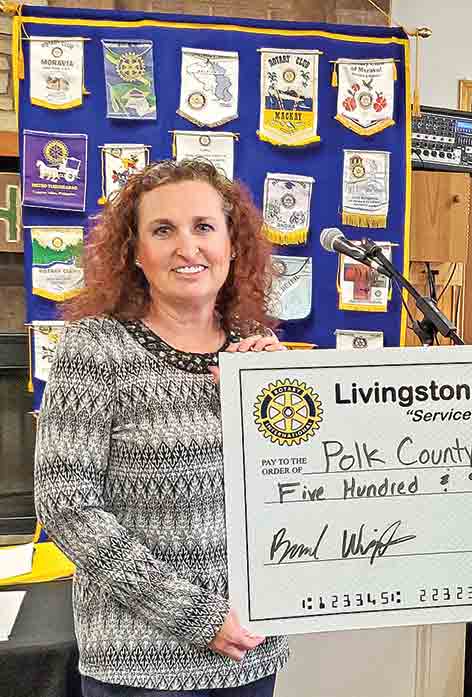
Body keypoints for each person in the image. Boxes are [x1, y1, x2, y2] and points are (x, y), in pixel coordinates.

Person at [34, 159, 290, 696]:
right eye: (162, 230)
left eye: (203, 227)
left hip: (252, 655)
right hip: (139, 665)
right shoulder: (95, 349)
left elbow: (294, 490)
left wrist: (282, 403)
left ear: (233, 244)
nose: (186, 247)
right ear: (134, 250)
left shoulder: (257, 352)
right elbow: (66, 505)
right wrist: (195, 615)